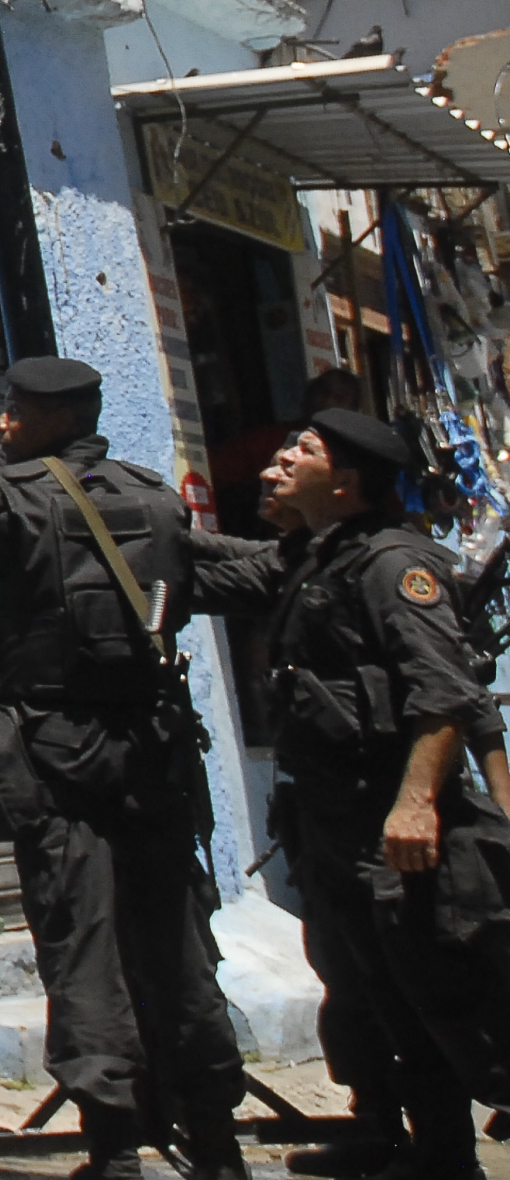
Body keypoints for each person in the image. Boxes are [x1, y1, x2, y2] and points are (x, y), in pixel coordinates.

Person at [0, 358, 244, 1180]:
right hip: (154, 752)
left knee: (82, 944)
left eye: (16, 410)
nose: (3, 424)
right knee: (179, 942)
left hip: (61, 753)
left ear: (55, 419)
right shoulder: (155, 497)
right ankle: (214, 1137)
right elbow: (218, 575)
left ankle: (115, 1149)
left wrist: (11, 458)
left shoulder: (15, 493)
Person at [233, 411, 510, 1180]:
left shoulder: (394, 565)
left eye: (305, 450)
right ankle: (441, 1154)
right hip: (337, 824)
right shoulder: (318, 560)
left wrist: (417, 800)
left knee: (455, 996)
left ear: (347, 479)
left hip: (401, 826)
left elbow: (448, 691)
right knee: (387, 997)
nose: (280, 459)